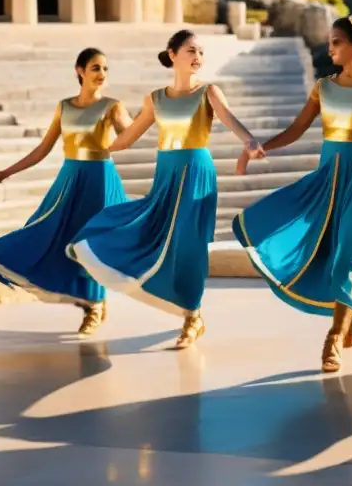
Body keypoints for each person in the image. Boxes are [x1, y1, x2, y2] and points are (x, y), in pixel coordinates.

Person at [68, 30, 263, 349]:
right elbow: (128, 137)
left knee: (190, 244)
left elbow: (230, 120)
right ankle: (183, 307)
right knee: (149, 233)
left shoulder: (209, 92)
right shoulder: (155, 99)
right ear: (172, 55)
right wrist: (99, 149)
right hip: (167, 173)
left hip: (197, 173)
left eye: (201, 51)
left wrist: (250, 141)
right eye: (190, 50)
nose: (198, 57)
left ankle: (193, 317)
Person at [233, 14, 352, 373]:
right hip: (328, 177)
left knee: (350, 254)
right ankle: (346, 316)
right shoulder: (323, 87)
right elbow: (297, 129)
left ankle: (333, 336)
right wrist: (263, 148)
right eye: (329, 42)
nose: (330, 48)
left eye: (336, 41)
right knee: (329, 253)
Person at [0, 48, 130, 335]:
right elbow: (43, 149)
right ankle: (91, 301)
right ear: (79, 71)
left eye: (105, 69)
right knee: (53, 235)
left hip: (100, 177)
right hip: (71, 178)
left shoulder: (112, 106)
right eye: (95, 68)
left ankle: (95, 306)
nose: (102, 74)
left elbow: (130, 135)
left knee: (92, 243)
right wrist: (7, 172)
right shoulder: (64, 107)